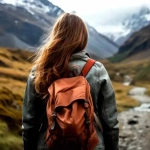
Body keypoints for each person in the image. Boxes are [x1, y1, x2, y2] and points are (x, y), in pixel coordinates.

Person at [22, 13, 119, 150]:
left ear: (56, 35)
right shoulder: (96, 70)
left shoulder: (40, 70)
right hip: (90, 145)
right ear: (83, 37)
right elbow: (110, 122)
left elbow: (29, 123)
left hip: (48, 145)